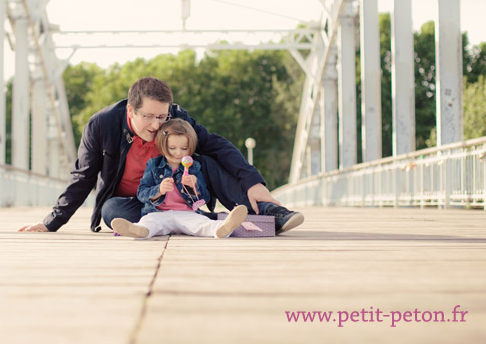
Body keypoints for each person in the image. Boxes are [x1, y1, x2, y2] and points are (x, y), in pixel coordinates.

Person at [18, 76, 304, 234]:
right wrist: (50, 223)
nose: (157, 125)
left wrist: (253, 180)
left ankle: (270, 214)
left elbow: (216, 144)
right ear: (131, 110)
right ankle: (206, 221)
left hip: (183, 194)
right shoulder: (102, 124)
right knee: (111, 211)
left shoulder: (175, 118)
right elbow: (82, 177)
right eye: (149, 117)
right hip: (138, 204)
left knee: (208, 161)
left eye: (162, 116)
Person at [111, 118, 249, 239]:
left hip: (187, 213)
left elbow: (205, 198)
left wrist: (195, 186)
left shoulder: (194, 167)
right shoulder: (154, 165)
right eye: (172, 148)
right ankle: (138, 230)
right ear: (163, 145)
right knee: (150, 222)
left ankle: (222, 228)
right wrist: (158, 190)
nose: (178, 153)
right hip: (159, 212)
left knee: (202, 224)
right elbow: (141, 193)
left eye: (184, 148)